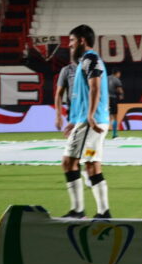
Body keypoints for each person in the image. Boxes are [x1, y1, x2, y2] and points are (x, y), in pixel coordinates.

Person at [60, 24, 111, 219]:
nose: (69, 45)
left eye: (72, 41)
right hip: (87, 121)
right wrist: (76, 120)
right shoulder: (85, 61)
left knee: (69, 162)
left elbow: (95, 87)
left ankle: (78, 210)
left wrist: (89, 117)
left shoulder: (91, 59)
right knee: (92, 165)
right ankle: (103, 212)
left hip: (91, 122)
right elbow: (84, 94)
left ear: (82, 40)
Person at [53, 61, 77, 131]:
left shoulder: (92, 68)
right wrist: (58, 116)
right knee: (74, 138)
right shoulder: (67, 70)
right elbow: (59, 94)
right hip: (73, 113)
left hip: (90, 111)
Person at [107, 69, 123, 138]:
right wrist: (121, 95)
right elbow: (120, 90)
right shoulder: (116, 79)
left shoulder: (106, 78)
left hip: (105, 99)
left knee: (106, 117)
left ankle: (101, 134)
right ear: (117, 73)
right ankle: (114, 134)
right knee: (115, 117)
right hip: (112, 98)